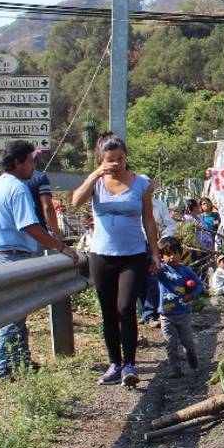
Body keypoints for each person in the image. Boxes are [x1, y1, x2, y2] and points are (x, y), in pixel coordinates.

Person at [0, 140, 79, 380]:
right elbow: (29, 225)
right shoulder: (18, 188)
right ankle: (5, 369)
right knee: (12, 314)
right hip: (14, 255)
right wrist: (60, 246)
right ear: (18, 162)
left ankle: (22, 362)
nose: (33, 168)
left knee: (17, 312)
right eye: (30, 161)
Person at [71, 135, 160, 387]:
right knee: (108, 312)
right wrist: (95, 175)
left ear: (126, 157)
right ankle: (114, 363)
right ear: (102, 160)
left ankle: (130, 365)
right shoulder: (97, 183)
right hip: (101, 255)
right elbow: (76, 202)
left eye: (120, 159)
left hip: (132, 255)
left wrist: (154, 252)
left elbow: (149, 220)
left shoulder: (140, 183)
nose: (117, 164)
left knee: (125, 307)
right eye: (110, 160)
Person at [156, 236, 204, 378]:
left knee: (187, 341)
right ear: (161, 257)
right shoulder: (162, 271)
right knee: (170, 343)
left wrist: (192, 294)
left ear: (180, 253)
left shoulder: (186, 270)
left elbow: (199, 285)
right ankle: (175, 369)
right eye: (167, 254)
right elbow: (151, 269)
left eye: (174, 253)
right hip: (166, 315)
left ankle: (192, 357)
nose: (171, 257)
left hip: (183, 314)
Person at [138, 190, 179, 327]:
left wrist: (161, 240)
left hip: (154, 244)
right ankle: (143, 312)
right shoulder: (133, 204)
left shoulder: (159, 205)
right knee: (138, 279)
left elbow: (170, 225)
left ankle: (151, 314)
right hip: (135, 245)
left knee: (153, 278)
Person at [25, 154, 62, 245]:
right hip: (38, 233)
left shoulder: (3, 182)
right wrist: (57, 234)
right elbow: (48, 208)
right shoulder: (40, 178)